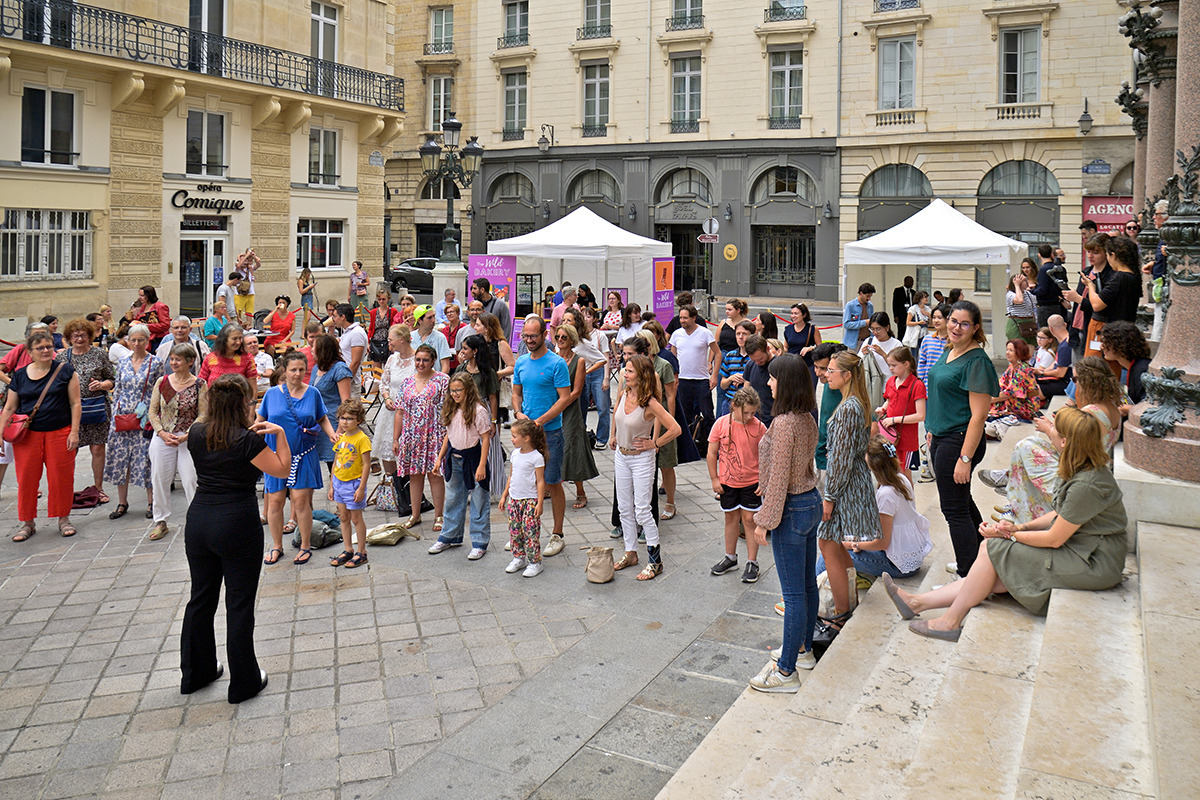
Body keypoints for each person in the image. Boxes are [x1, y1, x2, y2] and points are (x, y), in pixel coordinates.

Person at [883, 408, 1127, 641]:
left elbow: (1054, 538)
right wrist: (1018, 529)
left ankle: (949, 621)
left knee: (992, 549)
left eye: (1053, 427)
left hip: (1094, 561)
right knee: (992, 566)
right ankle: (917, 603)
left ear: (1064, 441)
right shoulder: (1082, 467)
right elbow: (1058, 514)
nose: (1048, 428)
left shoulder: (1087, 484)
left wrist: (1009, 536)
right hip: (1084, 550)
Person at [180, 373, 291, 704]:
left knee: (201, 598)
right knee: (239, 603)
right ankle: (243, 681)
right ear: (243, 403)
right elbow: (282, 470)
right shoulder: (247, 440)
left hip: (199, 520)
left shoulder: (197, 433)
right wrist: (281, 435)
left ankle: (195, 673)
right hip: (236, 523)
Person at [748, 354, 820, 692]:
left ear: (786, 383)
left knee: (792, 595)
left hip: (790, 509)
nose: (769, 382)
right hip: (809, 503)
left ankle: (786, 671)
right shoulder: (806, 417)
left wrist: (764, 520)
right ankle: (803, 650)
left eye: (774, 378)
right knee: (806, 586)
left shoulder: (784, 423)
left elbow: (779, 478)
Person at [983, 357, 1123, 524]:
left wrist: (1049, 429)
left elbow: (1070, 450)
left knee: (1026, 447)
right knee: (1032, 445)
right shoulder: (1111, 406)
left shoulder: (1090, 412)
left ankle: (1016, 500)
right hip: (1091, 468)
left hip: (1082, 474)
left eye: (1076, 379)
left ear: (1087, 382)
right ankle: (1014, 491)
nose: (1074, 384)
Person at [926, 301, 1000, 578]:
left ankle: (968, 576)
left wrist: (965, 458)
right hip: (943, 437)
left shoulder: (976, 361)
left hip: (959, 442)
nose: (957, 327)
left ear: (975, 328)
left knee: (953, 511)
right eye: (953, 321)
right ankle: (982, 561)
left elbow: (979, 416)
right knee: (962, 504)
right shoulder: (950, 350)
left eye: (964, 323)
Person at [815, 350, 881, 646]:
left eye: (831, 370)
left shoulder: (846, 409)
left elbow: (839, 458)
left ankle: (840, 614)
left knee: (828, 544)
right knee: (837, 544)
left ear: (847, 375)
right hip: (853, 481)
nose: (826, 375)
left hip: (844, 486)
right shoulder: (856, 403)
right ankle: (847, 604)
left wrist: (829, 496)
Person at [257, 351, 337, 565]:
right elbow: (259, 422)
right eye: (293, 369)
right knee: (274, 501)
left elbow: (322, 418)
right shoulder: (271, 394)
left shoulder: (313, 393)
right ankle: (276, 546)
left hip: (303, 454)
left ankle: (304, 544)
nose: (298, 374)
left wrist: (332, 435)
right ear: (284, 370)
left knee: (301, 501)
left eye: (302, 369)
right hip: (275, 456)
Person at [0, 329, 81, 541]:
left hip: (59, 432)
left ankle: (63, 519)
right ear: (29, 351)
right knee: (26, 480)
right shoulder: (19, 375)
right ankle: (27, 522)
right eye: (40, 348)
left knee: (61, 478)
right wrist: (0, 432)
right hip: (27, 437)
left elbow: (75, 403)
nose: (45, 351)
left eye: (48, 347)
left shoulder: (65, 371)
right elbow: (9, 408)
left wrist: (74, 432)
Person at [610, 354, 682, 581]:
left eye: (629, 371)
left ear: (641, 376)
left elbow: (675, 428)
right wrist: (613, 435)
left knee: (642, 509)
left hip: (642, 458)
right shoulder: (624, 393)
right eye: (625, 370)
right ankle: (630, 552)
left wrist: (655, 443)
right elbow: (617, 414)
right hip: (621, 456)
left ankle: (655, 560)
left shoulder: (650, 402)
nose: (625, 373)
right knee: (624, 507)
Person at [821, 436, 931, 580]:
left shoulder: (886, 493)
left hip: (897, 564)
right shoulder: (901, 478)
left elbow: (882, 543)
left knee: (829, 553)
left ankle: (809, 593)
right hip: (908, 553)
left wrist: (854, 544)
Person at [512, 316, 572, 556]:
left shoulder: (557, 364)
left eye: (533, 336)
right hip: (526, 434)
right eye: (525, 336)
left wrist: (541, 420)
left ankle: (557, 533)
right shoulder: (522, 362)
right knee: (523, 482)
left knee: (551, 482)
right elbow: (516, 392)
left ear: (545, 334)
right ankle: (524, 532)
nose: (529, 340)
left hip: (550, 432)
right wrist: (518, 412)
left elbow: (565, 398)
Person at [147, 343, 206, 541]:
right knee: (159, 478)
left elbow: (203, 413)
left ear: (190, 362)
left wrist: (188, 434)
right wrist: (162, 433)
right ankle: (160, 521)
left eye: (178, 359)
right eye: (172, 359)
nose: (174, 362)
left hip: (188, 437)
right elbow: (153, 411)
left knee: (191, 478)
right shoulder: (162, 382)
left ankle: (197, 520)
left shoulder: (200, 384)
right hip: (164, 436)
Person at [708, 387, 767, 583]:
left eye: (753, 412)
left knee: (750, 521)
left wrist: (764, 481)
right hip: (728, 482)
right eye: (746, 412)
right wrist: (715, 479)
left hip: (752, 482)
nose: (750, 416)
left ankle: (753, 562)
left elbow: (768, 456)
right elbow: (711, 453)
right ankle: (730, 557)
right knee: (730, 518)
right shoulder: (721, 424)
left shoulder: (759, 428)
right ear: (734, 407)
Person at [104, 324, 163, 522]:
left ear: (148, 341)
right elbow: (118, 388)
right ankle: (122, 501)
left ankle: (151, 501)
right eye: (133, 340)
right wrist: (114, 415)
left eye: (141, 340)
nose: (137, 344)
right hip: (122, 416)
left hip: (145, 417)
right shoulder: (122, 362)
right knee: (121, 459)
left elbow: (159, 390)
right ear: (127, 341)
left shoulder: (156, 362)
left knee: (146, 458)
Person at [430, 375, 493, 559]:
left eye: (459, 390)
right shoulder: (451, 408)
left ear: (468, 390)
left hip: (473, 458)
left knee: (479, 499)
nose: (455, 394)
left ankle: (480, 541)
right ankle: (450, 535)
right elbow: (448, 436)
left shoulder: (478, 411)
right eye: (453, 390)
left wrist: (482, 465)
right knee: (453, 497)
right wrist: (439, 458)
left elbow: (486, 438)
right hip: (454, 458)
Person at [57, 318, 115, 504]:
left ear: (90, 336)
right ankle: (67, 489)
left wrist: (102, 384)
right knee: (69, 450)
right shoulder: (61, 357)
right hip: (70, 411)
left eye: (83, 335)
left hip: (96, 407)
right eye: (76, 335)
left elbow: (112, 379)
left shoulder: (99, 354)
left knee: (98, 448)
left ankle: (98, 489)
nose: (80, 338)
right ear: (69, 337)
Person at [394, 345, 450, 531]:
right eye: (418, 360)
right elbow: (400, 412)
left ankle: (439, 515)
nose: (421, 363)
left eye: (425, 360)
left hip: (434, 433)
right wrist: (396, 438)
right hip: (411, 435)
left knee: (435, 474)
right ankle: (415, 514)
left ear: (433, 360)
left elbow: (449, 409)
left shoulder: (442, 380)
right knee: (414, 475)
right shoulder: (407, 382)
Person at [554, 324, 600, 510]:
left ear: (572, 340)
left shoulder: (578, 361)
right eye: (557, 336)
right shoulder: (554, 359)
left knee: (572, 447)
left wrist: (561, 405)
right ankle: (551, 485)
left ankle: (580, 491)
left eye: (564, 337)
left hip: (570, 408)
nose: (559, 340)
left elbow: (577, 391)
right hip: (554, 408)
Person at [454, 333, 504, 500]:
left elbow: (493, 397)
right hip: (465, 410)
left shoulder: (486, 371)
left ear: (475, 351)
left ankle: (490, 486)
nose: (462, 351)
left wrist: (494, 420)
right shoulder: (461, 369)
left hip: (483, 410)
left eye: (465, 348)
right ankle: (469, 486)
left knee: (489, 449)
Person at [1082, 235, 1143, 364]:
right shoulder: (1134, 277)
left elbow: (1097, 305)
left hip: (1106, 328)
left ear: (1113, 255)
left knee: (1095, 368)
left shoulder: (1119, 277)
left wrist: (1091, 287)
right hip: (1122, 328)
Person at [499, 419, 547, 577]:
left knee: (530, 531)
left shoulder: (536, 457)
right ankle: (518, 557)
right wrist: (505, 495)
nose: (511, 439)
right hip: (514, 499)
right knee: (515, 530)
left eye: (514, 436)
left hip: (530, 500)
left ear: (526, 438)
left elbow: (540, 481)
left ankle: (535, 561)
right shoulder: (514, 454)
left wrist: (539, 502)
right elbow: (511, 476)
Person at [669, 304, 718, 453]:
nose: (682, 320)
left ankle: (711, 446)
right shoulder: (676, 334)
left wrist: (714, 375)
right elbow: (673, 357)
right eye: (681, 317)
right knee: (684, 414)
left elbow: (718, 352)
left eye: (685, 318)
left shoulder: (704, 333)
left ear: (693, 318)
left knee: (708, 414)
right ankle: (686, 446)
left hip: (701, 380)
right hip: (683, 380)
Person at [328, 400, 372, 568]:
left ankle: (362, 551)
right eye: (342, 418)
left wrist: (361, 487)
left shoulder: (362, 439)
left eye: (349, 418)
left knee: (356, 518)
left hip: (354, 483)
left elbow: (366, 464)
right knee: (343, 516)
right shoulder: (341, 438)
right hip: (339, 482)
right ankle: (348, 549)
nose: (345, 422)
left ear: (358, 420)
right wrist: (332, 485)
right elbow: (336, 461)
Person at [877, 346, 926, 485]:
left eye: (894, 365)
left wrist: (894, 419)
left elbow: (920, 415)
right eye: (889, 365)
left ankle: (908, 503)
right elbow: (889, 399)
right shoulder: (891, 381)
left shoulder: (917, 385)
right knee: (891, 471)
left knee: (904, 474)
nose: (891, 368)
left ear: (906, 364)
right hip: (890, 435)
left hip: (906, 439)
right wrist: (883, 409)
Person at [374, 323, 415, 489]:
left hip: (410, 412)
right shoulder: (392, 359)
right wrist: (386, 397)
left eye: (391, 340)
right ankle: (393, 487)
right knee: (388, 451)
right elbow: (384, 383)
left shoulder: (417, 359)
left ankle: (409, 487)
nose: (388, 343)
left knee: (408, 453)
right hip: (391, 411)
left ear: (402, 340)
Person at [310, 335, 354, 473]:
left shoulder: (340, 369)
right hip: (319, 422)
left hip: (334, 421)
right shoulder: (316, 368)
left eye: (314, 347)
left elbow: (346, 402)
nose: (311, 350)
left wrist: (340, 429)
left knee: (336, 464)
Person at [988, 339, 1042, 433]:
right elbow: (1000, 384)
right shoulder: (1012, 367)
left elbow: (1008, 394)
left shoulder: (1023, 369)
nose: (1007, 353)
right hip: (1015, 401)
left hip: (1026, 406)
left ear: (1019, 352)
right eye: (1007, 350)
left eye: (1011, 350)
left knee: (991, 404)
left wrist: (987, 400)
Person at [1099, 320, 1152, 412]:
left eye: (1107, 343)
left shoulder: (1141, 371)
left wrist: (1127, 408)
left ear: (1120, 345)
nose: (1101, 347)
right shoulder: (1135, 367)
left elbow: (1151, 408)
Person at [579, 306, 612, 450]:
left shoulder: (600, 336)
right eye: (583, 316)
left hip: (598, 372)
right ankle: (582, 436)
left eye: (588, 316)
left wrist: (606, 378)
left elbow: (605, 357)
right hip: (582, 372)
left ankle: (602, 438)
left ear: (594, 319)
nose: (586, 319)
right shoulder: (577, 336)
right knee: (582, 407)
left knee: (603, 407)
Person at [717, 321, 755, 419]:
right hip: (730, 401)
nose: (740, 337)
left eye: (744, 334)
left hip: (748, 404)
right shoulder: (730, 356)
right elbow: (723, 385)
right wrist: (731, 378)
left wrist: (745, 379)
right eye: (738, 334)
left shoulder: (754, 358)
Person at [1033, 314, 1073, 400]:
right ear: (1065, 324)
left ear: (1051, 329)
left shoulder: (1065, 346)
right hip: (1065, 381)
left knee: (1031, 389)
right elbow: (1056, 362)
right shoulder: (1065, 342)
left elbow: (1060, 373)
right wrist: (1042, 371)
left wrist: (1042, 373)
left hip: (1065, 383)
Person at [331, 303, 367, 393]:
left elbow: (355, 362)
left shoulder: (356, 333)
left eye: (335, 316)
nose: (333, 320)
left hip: (350, 382)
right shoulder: (347, 331)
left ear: (342, 317)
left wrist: (347, 380)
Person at [783, 303, 822, 386]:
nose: (793, 316)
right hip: (792, 365)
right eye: (792, 313)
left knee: (809, 391)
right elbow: (786, 347)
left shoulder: (812, 329)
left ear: (804, 315)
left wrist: (810, 348)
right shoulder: (788, 329)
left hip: (808, 365)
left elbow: (821, 348)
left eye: (796, 313)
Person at [742, 334, 775, 425]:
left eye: (760, 359)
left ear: (767, 349)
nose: (757, 363)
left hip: (772, 418)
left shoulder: (777, 365)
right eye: (754, 360)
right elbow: (746, 391)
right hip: (754, 418)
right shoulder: (750, 365)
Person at [1005, 262, 1038, 348]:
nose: (1026, 282)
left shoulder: (1028, 293)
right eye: (1023, 281)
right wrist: (1017, 286)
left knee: (1031, 348)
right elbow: (1019, 300)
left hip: (1029, 322)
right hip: (1016, 322)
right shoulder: (1010, 294)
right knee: (1019, 349)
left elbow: (1036, 303)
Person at [367, 288, 401, 368]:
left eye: (383, 299)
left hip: (387, 341)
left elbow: (394, 326)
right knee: (376, 369)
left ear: (388, 299)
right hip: (376, 341)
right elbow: (371, 328)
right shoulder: (373, 312)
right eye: (379, 299)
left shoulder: (392, 311)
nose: (381, 301)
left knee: (388, 367)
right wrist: (368, 342)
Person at [411, 305, 452, 373]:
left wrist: (439, 381)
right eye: (429, 318)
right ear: (419, 320)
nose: (433, 320)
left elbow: (445, 366)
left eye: (434, 316)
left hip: (434, 379)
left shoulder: (440, 338)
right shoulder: (410, 337)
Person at [716, 300, 750, 376]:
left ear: (738, 310)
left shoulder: (748, 324)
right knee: (722, 381)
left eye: (730, 310)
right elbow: (715, 343)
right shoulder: (723, 322)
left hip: (740, 356)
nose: (726, 312)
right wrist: (710, 361)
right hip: (723, 354)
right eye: (726, 309)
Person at [842, 282, 875, 349]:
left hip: (867, 341)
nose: (869, 299)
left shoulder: (870, 306)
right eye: (867, 296)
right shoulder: (850, 305)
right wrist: (864, 322)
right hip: (853, 342)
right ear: (861, 293)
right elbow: (846, 324)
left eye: (870, 296)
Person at [234, 248, 261, 321]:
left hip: (250, 293)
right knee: (239, 312)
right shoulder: (238, 269)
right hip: (240, 294)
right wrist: (245, 256)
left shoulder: (250, 268)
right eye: (243, 260)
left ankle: (249, 326)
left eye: (246, 260)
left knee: (249, 312)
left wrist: (253, 256)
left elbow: (258, 264)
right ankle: (239, 326)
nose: (244, 262)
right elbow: (238, 266)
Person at [441, 303, 467, 371]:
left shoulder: (464, 328)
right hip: (448, 362)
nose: (449, 314)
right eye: (447, 313)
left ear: (458, 313)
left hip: (461, 361)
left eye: (452, 312)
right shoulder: (445, 330)